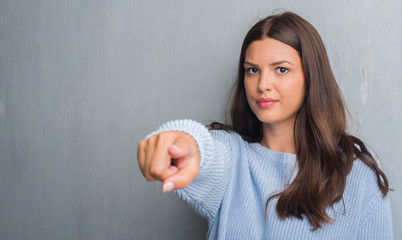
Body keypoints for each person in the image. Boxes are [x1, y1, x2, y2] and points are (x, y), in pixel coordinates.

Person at [137, 11, 393, 239]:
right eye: (252, 70)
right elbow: (204, 149)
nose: (262, 85)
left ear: (311, 78)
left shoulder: (357, 173)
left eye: (281, 70)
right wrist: (179, 143)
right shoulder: (233, 158)